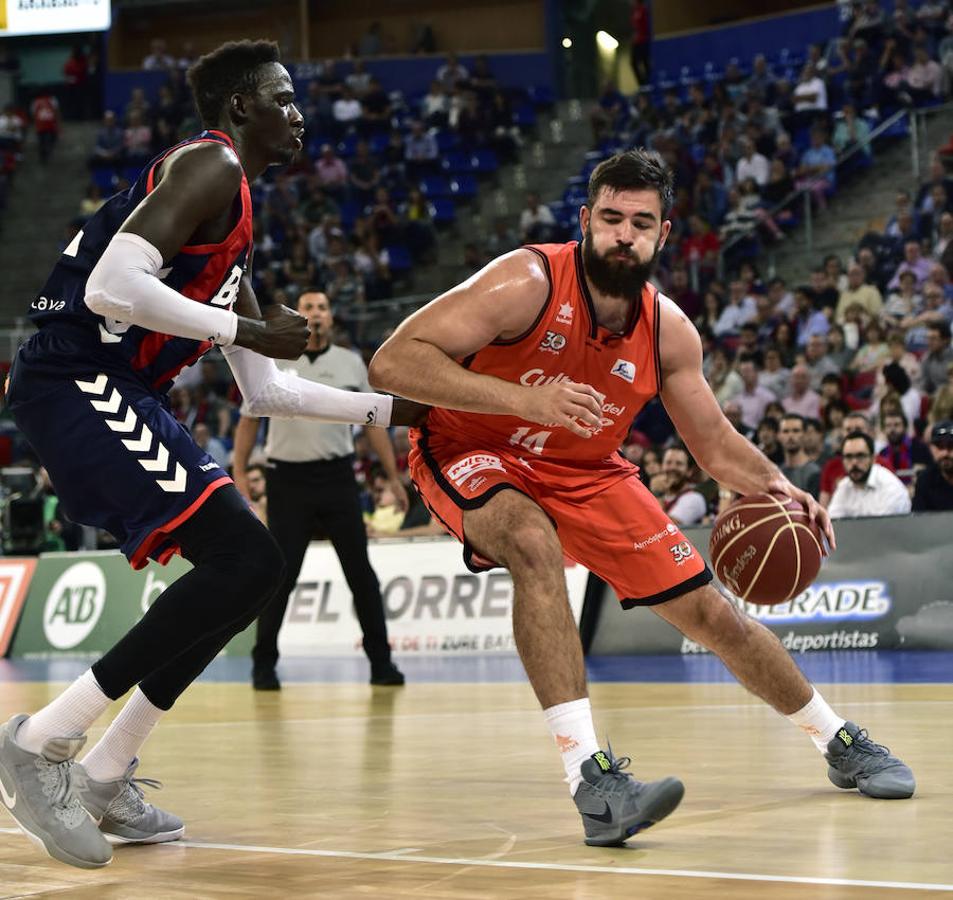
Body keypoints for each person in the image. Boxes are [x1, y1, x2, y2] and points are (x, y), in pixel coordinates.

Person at [368, 150, 914, 848]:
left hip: (587, 469)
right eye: (610, 219)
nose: (623, 235)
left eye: (640, 223)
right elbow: (394, 360)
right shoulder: (523, 281)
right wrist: (525, 400)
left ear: (663, 234)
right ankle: (591, 780)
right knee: (532, 543)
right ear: (584, 221)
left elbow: (713, 445)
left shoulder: (667, 330)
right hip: (471, 449)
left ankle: (837, 740)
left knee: (711, 614)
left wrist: (779, 486)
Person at [0, 40, 419, 871]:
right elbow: (109, 288)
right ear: (239, 110)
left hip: (114, 388)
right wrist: (247, 327)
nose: (299, 113)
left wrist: (406, 413)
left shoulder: (235, 226)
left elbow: (269, 394)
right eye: (284, 98)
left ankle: (105, 771)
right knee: (241, 556)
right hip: (72, 375)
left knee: (251, 567)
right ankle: (40, 742)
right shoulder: (209, 165)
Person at [233, 291, 407, 690]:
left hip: (337, 478)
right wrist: (240, 472)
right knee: (281, 576)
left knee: (360, 574)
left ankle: (382, 664)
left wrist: (393, 477)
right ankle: (264, 666)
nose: (315, 314)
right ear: (297, 315)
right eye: (308, 307)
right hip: (287, 481)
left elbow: (372, 421)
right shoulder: (274, 357)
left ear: (331, 318)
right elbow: (247, 420)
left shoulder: (350, 362)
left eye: (322, 308)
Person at [828, 432, 912, 518]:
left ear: (873, 458)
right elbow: (834, 522)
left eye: (860, 456)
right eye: (848, 457)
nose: (854, 462)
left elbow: (884, 528)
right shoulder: (844, 486)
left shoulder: (891, 488)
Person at [877, 410, 932, 484]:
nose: (892, 429)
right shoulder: (882, 453)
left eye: (896, 425)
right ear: (884, 429)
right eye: (888, 426)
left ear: (905, 427)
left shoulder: (919, 447)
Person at [658, 445, 707, 525]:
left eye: (679, 464)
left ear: (689, 471)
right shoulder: (655, 497)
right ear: (661, 467)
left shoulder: (695, 499)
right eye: (668, 462)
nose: (672, 467)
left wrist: (657, 492)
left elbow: (667, 527)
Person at [912, 420, 953, 510]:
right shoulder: (925, 480)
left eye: (951, 446)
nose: (945, 453)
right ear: (931, 448)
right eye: (940, 447)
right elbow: (918, 519)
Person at [779, 413, 821, 498]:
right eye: (785, 431)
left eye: (796, 431)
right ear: (779, 435)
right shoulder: (777, 472)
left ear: (805, 435)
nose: (790, 436)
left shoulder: (815, 473)